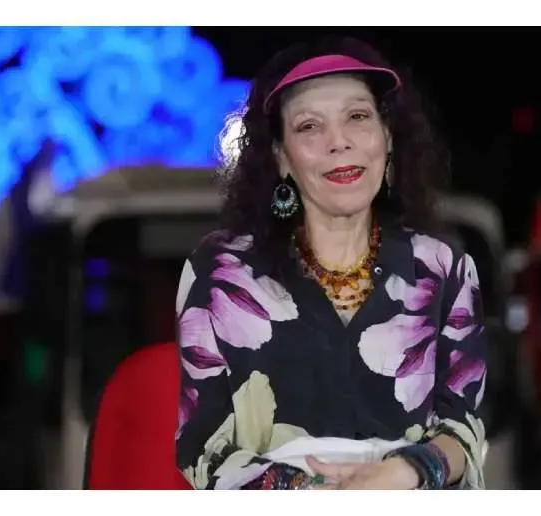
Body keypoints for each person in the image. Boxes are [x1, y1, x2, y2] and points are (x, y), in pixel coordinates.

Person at [174, 36, 488, 490]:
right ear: (281, 157)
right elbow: (201, 448)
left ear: (387, 138)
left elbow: (464, 429)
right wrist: (316, 492)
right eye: (309, 126)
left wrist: (403, 473)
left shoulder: (445, 269)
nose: (339, 142)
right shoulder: (219, 272)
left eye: (357, 117)